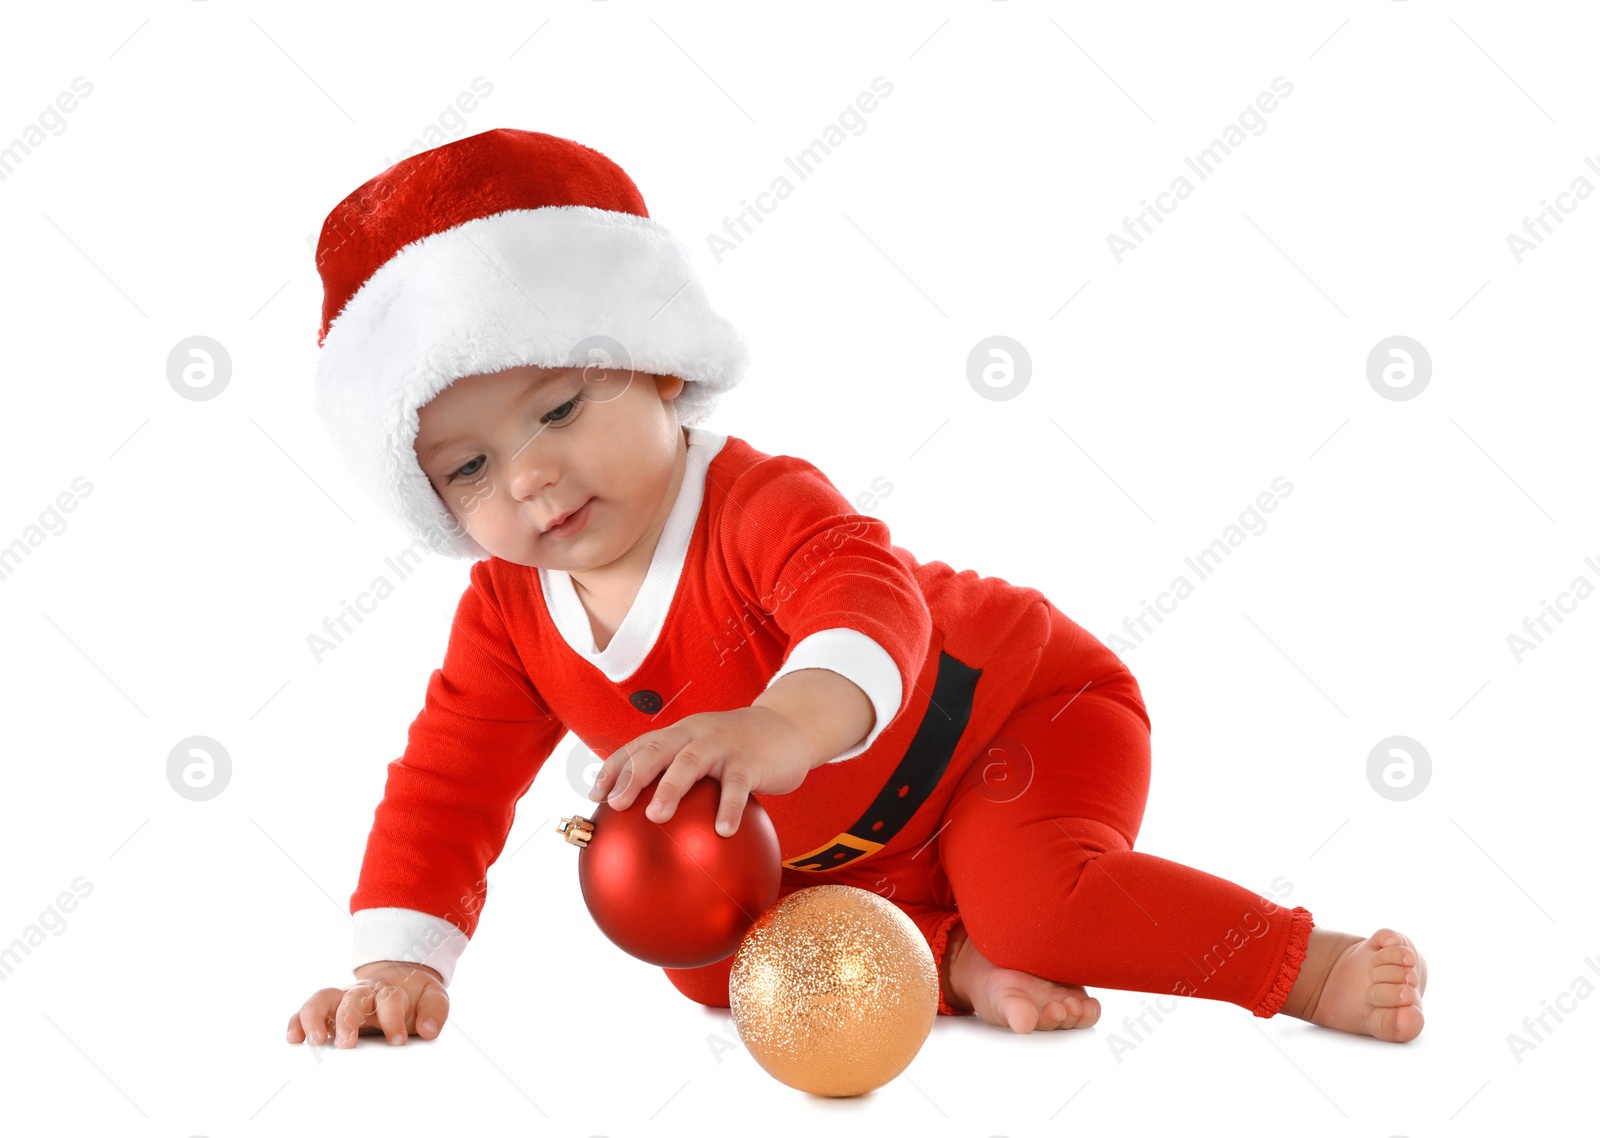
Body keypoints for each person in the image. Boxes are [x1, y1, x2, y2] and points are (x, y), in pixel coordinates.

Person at [286, 129, 1426, 1051]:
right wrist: (399, 957)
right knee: (703, 957)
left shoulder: (752, 500)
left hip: (1013, 721)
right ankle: (953, 955)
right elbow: (449, 778)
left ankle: (1302, 965)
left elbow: (865, 595)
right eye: (471, 468)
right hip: (844, 853)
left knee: (1041, 899)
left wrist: (784, 722)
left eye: (559, 408)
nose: (528, 476)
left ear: (657, 363)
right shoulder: (506, 611)